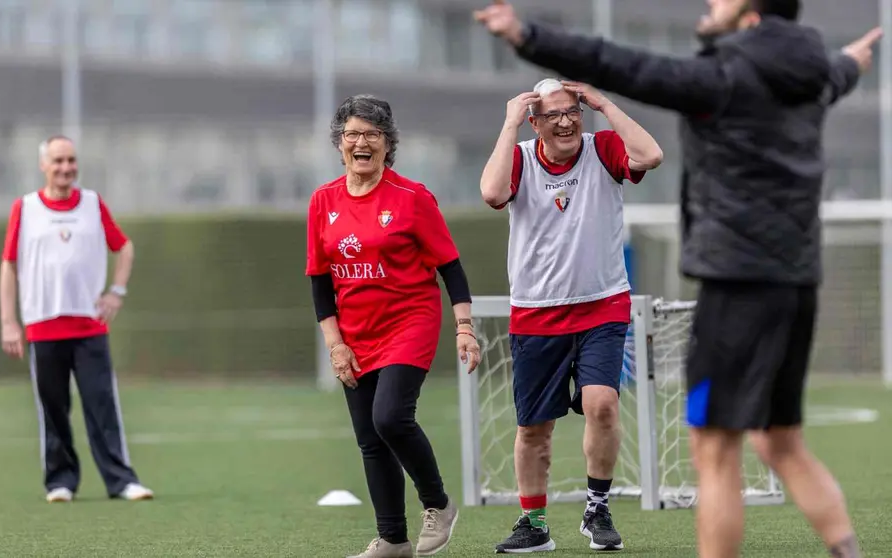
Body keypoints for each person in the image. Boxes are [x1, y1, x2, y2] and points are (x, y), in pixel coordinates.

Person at [475, 1, 882, 557]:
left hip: (731, 287)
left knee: (712, 448)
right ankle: (847, 549)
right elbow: (834, 75)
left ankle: (600, 510)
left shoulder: (719, 78)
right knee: (781, 439)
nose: (710, 4)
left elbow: (625, 65)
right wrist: (851, 62)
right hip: (796, 283)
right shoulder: (812, 75)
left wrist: (527, 36)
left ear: (749, 16)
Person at [479, 78, 663, 553]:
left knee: (602, 403)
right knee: (533, 429)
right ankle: (534, 524)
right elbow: (492, 192)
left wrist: (603, 103)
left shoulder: (603, 148)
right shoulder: (519, 156)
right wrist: (507, 123)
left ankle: (597, 508)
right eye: (552, 115)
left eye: (572, 112)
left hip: (602, 304)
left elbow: (650, 155)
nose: (565, 122)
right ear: (535, 121)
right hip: (536, 313)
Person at [306, 94, 481, 558]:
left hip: (410, 320)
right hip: (354, 332)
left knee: (390, 418)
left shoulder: (412, 197)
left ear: (387, 143)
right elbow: (320, 281)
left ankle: (438, 503)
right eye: (352, 135)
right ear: (339, 143)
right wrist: (335, 344)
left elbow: (451, 267)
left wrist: (464, 327)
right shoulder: (323, 201)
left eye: (372, 135)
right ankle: (392, 540)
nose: (361, 143)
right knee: (370, 438)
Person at [0, 135, 153, 504]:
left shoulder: (92, 204)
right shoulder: (25, 208)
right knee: (53, 408)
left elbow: (124, 246)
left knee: (102, 404)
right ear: (43, 166)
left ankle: (121, 481)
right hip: (42, 326)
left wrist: (116, 291)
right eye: (58, 161)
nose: (66, 167)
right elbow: (9, 264)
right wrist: (9, 321)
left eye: (71, 160)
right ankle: (60, 482)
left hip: (89, 327)